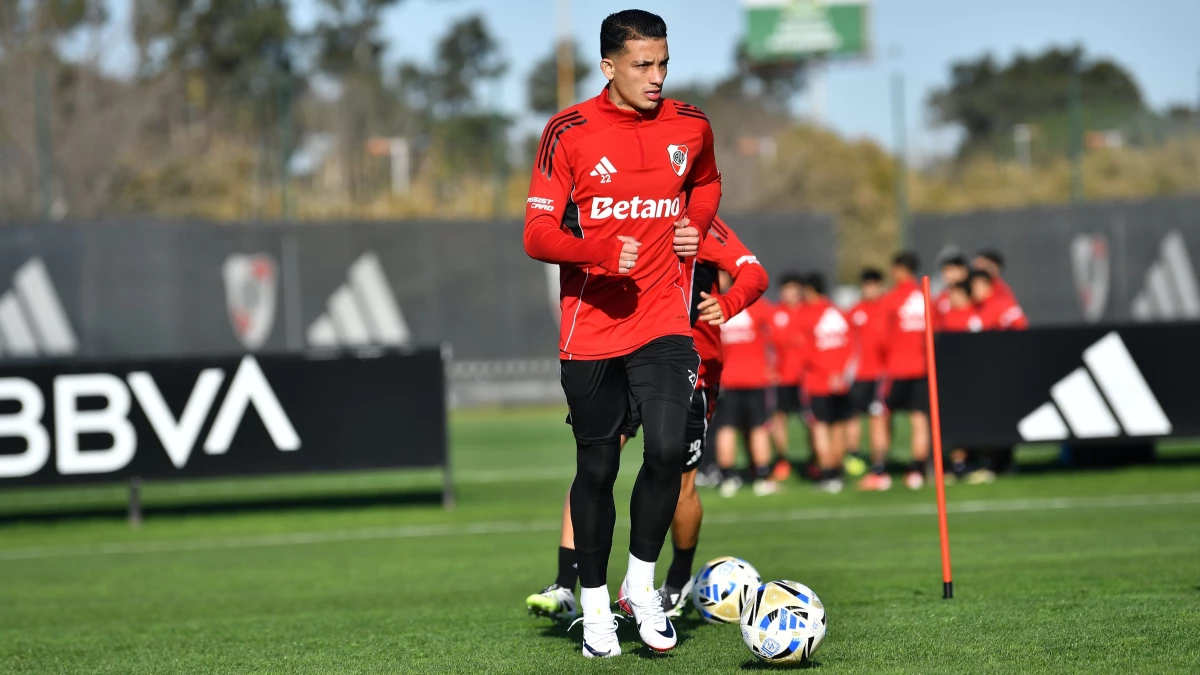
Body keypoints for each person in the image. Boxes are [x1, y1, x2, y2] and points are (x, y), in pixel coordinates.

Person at [522, 9, 721, 658]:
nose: (656, 77)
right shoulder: (567, 132)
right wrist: (602, 253)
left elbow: (708, 180)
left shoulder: (691, 125)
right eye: (642, 65)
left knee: (667, 449)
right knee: (598, 468)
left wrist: (691, 223)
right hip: (591, 331)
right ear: (608, 67)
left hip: (664, 317)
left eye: (663, 63)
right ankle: (596, 605)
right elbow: (537, 233)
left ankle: (640, 584)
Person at [525, 216, 768, 625]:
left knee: (677, 474)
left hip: (689, 363)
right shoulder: (623, 206)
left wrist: (728, 303)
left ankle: (676, 580)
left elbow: (753, 272)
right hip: (622, 355)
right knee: (594, 467)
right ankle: (566, 584)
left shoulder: (698, 221)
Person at [860, 251, 930, 492]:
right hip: (923, 368)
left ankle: (880, 472)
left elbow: (879, 338)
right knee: (919, 420)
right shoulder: (926, 296)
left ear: (899, 269)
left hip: (895, 369)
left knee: (879, 418)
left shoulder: (891, 299)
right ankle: (917, 472)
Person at [715, 288, 779, 499]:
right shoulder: (758, 305)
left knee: (727, 427)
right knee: (759, 427)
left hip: (727, 379)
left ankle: (727, 477)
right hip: (756, 377)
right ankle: (762, 477)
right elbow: (778, 337)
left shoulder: (718, 306)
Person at [795, 273, 854, 493]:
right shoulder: (838, 312)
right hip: (841, 382)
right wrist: (841, 373)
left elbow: (805, 353)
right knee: (838, 426)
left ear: (810, 290)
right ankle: (837, 472)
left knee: (819, 428)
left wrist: (826, 372)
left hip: (817, 382)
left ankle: (827, 473)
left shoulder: (806, 314)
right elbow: (852, 347)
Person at [845, 268, 888, 476]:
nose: (870, 289)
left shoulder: (887, 309)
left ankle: (879, 464)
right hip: (857, 374)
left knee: (877, 419)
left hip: (880, 376)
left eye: (874, 284)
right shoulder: (855, 311)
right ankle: (853, 454)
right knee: (851, 416)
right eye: (866, 285)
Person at [767, 272, 808, 481]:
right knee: (778, 420)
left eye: (794, 288)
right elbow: (767, 345)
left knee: (810, 421)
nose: (790, 293)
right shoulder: (774, 314)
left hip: (806, 379)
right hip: (781, 379)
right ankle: (782, 460)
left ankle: (815, 460)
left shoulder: (809, 312)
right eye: (786, 289)